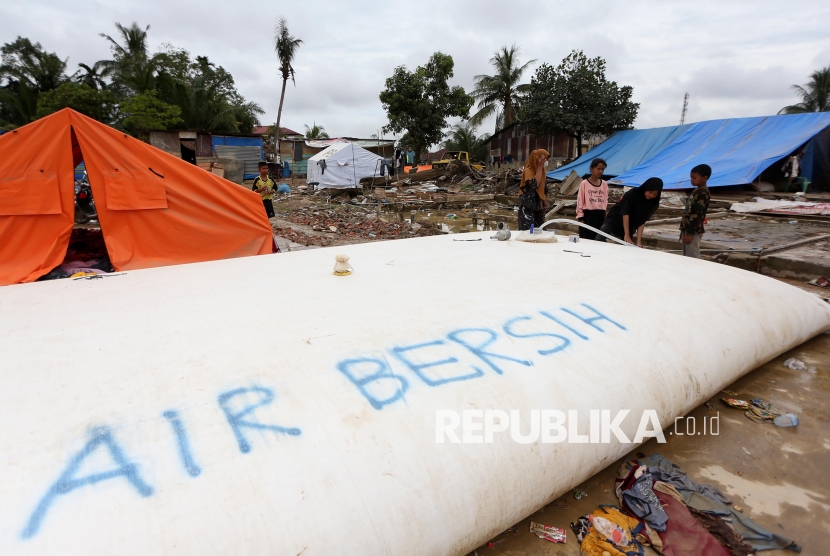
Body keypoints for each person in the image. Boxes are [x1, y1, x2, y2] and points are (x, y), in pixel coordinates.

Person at [600, 177, 663, 246]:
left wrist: (639, 242)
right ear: (646, 188)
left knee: (624, 246)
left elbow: (642, 222)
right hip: (615, 218)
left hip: (630, 224)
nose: (651, 196)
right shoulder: (633, 194)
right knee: (600, 238)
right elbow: (625, 213)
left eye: (655, 194)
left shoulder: (653, 203)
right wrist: (626, 235)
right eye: (650, 192)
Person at [680, 164, 712, 258]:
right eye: (691, 177)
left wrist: (690, 232)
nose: (691, 180)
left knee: (692, 255)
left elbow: (697, 214)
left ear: (704, 178)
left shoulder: (703, 193)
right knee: (686, 255)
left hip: (693, 229)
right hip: (687, 227)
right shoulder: (696, 191)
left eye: (694, 178)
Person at [576, 158, 608, 240]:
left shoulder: (604, 184)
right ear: (591, 169)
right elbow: (580, 201)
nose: (600, 171)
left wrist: (605, 217)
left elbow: (605, 201)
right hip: (588, 217)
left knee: (599, 241)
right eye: (598, 169)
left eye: (602, 169)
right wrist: (581, 218)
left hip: (600, 217)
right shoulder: (584, 183)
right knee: (587, 241)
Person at [517, 149, 550, 231]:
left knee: (540, 231)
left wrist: (544, 200)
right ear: (537, 159)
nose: (545, 162)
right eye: (543, 159)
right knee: (528, 233)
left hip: (538, 207)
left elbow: (543, 188)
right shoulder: (528, 171)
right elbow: (535, 184)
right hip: (528, 207)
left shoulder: (542, 171)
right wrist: (539, 167)